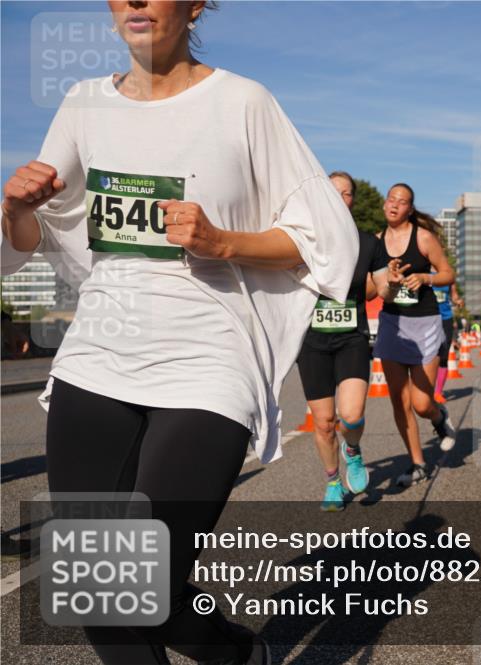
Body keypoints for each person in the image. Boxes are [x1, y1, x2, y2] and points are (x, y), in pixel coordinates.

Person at [0, 2, 359, 662]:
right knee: (97, 589)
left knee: (142, 579)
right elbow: (31, 239)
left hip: (207, 361)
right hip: (97, 358)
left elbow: (321, 239)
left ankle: (228, 651)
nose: (135, 1)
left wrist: (224, 241)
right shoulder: (83, 105)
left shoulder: (244, 102)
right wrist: (15, 208)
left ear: (195, 5)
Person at [297, 171, 382, 511]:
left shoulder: (368, 244)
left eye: (347, 194)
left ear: (353, 201)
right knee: (323, 423)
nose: (340, 198)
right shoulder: (303, 241)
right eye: (334, 192)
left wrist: (389, 282)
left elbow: (379, 288)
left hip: (351, 338)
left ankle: (353, 450)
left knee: (351, 416)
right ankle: (333, 481)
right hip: (312, 341)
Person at [373, 185, 457, 487]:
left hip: (424, 323)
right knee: (399, 400)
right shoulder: (376, 243)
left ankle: (438, 418)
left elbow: (448, 273)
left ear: (410, 208)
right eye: (391, 199)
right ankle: (417, 462)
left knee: (422, 403)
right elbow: (373, 289)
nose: (395, 204)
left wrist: (425, 277)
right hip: (393, 323)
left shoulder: (422, 237)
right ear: (385, 205)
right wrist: (388, 280)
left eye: (403, 201)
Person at [431, 255, 463, 403]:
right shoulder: (425, 273)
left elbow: (454, 296)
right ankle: (427, 389)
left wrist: (458, 300)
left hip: (445, 317)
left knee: (443, 354)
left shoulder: (449, 276)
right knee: (429, 354)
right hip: (428, 318)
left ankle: (438, 392)